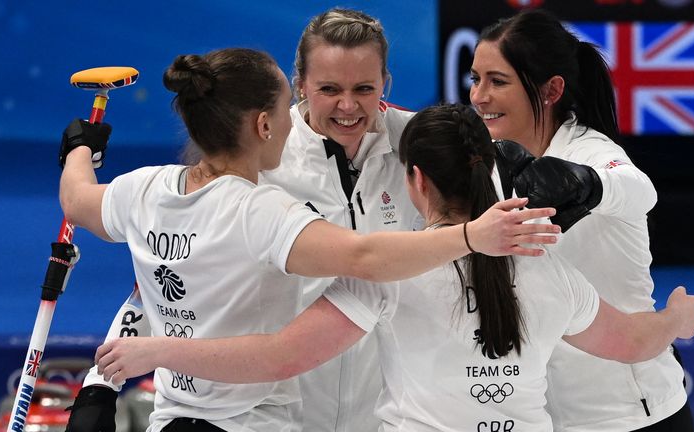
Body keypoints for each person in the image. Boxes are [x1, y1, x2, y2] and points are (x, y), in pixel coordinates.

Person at [92, 104, 694, 432]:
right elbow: (631, 343)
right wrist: (678, 317)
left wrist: (159, 351)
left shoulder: (383, 277)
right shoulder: (550, 272)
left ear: (415, 181)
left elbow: (277, 358)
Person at [59, 48, 559, 432]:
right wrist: (472, 235)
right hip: (253, 421)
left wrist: (80, 149)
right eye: (287, 109)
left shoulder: (140, 189)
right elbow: (365, 256)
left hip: (172, 419)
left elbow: (77, 200)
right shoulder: (261, 213)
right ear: (263, 125)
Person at [469, 9, 693, 431]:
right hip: (547, 417)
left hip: (632, 416)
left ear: (551, 89)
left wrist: (589, 185)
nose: (478, 95)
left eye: (497, 81)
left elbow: (638, 189)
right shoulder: (490, 162)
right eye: (475, 78)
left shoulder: (590, 151)